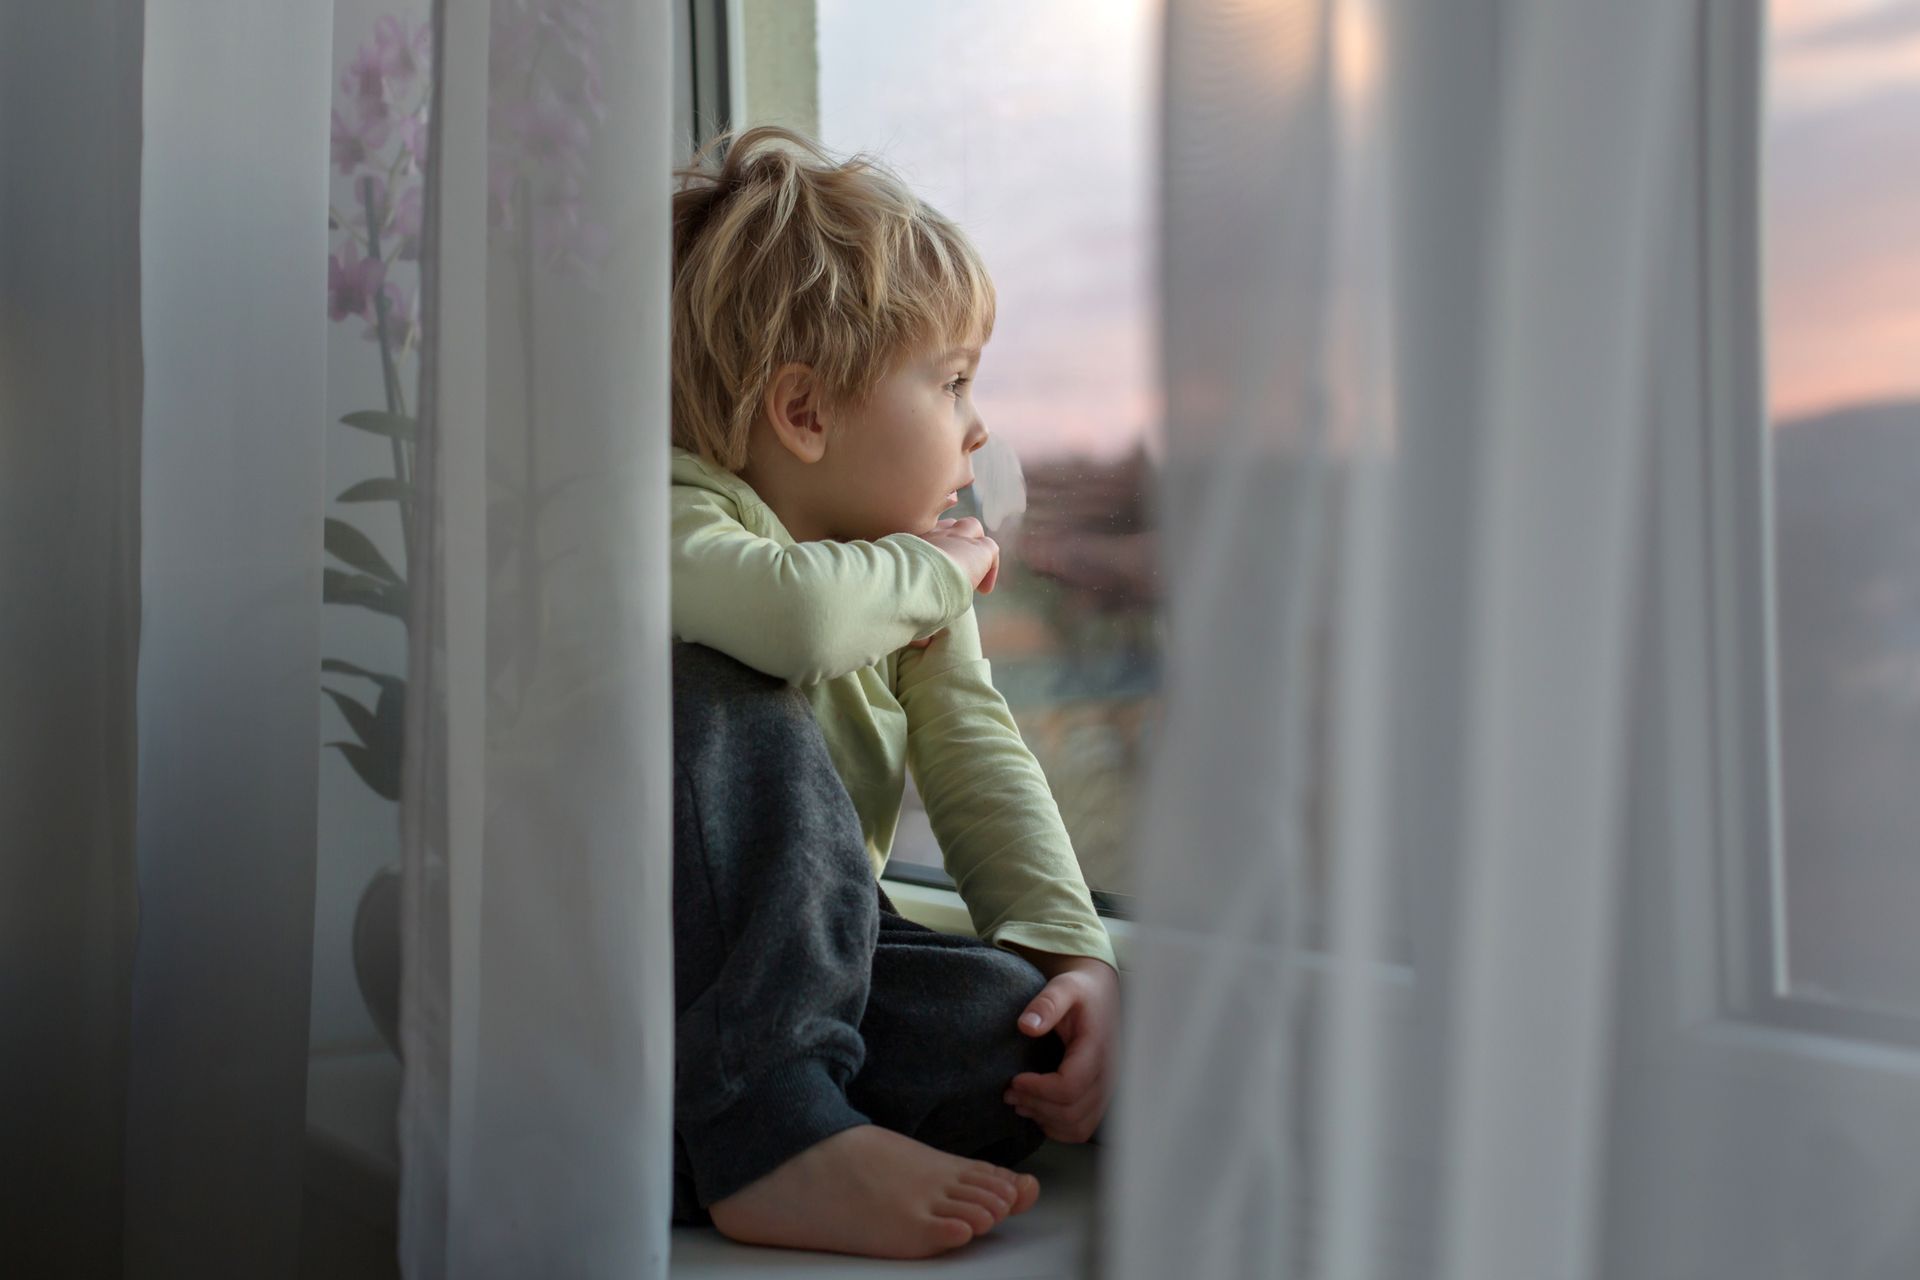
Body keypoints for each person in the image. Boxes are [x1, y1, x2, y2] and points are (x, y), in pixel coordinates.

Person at [665, 124, 1120, 1260]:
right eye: (954, 381)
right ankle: (770, 1128)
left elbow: (977, 752)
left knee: (1003, 1036)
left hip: (790, 982)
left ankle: (723, 1131)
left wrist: (1073, 958)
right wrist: (941, 569)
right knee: (724, 677)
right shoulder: (672, 511)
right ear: (805, 412)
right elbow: (798, 619)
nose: (978, 430)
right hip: (652, 953)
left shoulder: (901, 569)